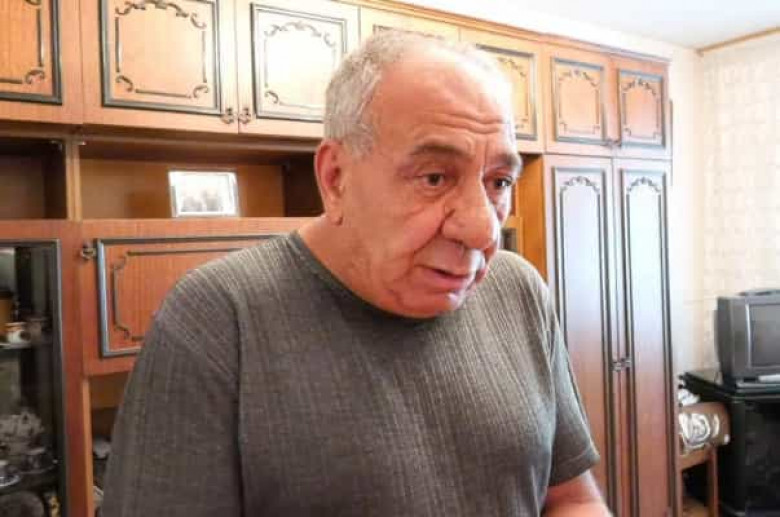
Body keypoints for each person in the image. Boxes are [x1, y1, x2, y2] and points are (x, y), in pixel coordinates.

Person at [102, 31, 609, 516]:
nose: (482, 230)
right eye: (434, 177)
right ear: (336, 178)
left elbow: (572, 499)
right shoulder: (218, 319)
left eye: (498, 182)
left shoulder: (518, 290)